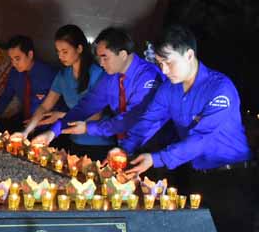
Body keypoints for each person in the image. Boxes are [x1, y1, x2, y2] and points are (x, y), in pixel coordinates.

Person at [124, 25, 257, 232]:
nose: (164, 70)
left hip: (232, 178)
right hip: (197, 175)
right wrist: (124, 149)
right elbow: (149, 120)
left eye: (169, 62)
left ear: (189, 55)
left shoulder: (219, 88)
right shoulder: (169, 88)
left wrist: (156, 158)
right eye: (160, 63)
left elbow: (201, 138)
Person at [32, 27, 164, 149]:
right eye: (99, 57)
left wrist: (88, 128)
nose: (101, 63)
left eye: (105, 57)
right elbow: (86, 106)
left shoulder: (148, 76)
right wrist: (53, 131)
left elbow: (131, 118)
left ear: (123, 54)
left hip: (151, 147)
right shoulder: (111, 76)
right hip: (124, 145)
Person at [16, 25, 114, 159]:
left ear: (79, 49)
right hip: (74, 140)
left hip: (98, 144)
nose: (60, 56)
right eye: (58, 52)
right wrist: (26, 132)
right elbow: (45, 106)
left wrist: (61, 116)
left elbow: (96, 116)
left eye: (65, 51)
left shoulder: (97, 74)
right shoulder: (63, 75)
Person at [0, 35, 57, 131]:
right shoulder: (14, 73)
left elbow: (58, 105)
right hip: (25, 120)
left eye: (17, 59)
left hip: (46, 125)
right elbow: (6, 96)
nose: (14, 64)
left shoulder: (49, 74)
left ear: (30, 55)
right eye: (11, 59)